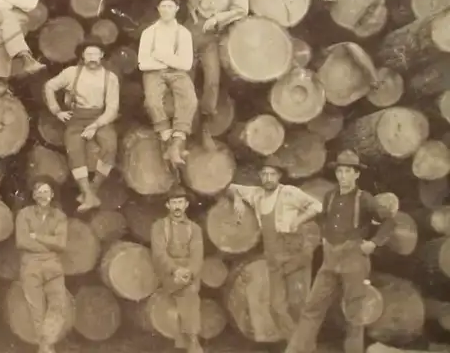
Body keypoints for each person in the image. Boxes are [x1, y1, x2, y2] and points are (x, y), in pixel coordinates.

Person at [283, 150, 396, 353]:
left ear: (356, 174)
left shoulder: (365, 199)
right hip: (330, 259)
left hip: (354, 260)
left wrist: (374, 243)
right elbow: (325, 219)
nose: (343, 176)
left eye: (347, 171)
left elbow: (389, 221)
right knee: (312, 307)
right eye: (340, 171)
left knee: (354, 313)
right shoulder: (330, 196)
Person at [227, 157, 323, 337]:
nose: (268, 178)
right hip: (273, 257)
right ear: (260, 176)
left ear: (279, 176)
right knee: (276, 307)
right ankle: (295, 342)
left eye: (272, 174)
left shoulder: (289, 193)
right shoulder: (256, 194)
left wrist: (298, 220)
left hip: (293, 253)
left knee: (298, 304)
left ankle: (304, 344)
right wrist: (238, 200)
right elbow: (230, 187)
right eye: (264, 174)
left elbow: (317, 206)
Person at [169, 0, 248, 147]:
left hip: (212, 35)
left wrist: (217, 18)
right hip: (191, 31)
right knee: (185, 76)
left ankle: (204, 126)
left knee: (212, 80)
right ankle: (181, 130)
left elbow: (241, 9)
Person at [43, 40, 120, 212]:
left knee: (110, 146)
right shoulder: (72, 73)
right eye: (88, 54)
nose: (92, 58)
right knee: (74, 148)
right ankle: (87, 194)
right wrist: (57, 111)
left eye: (95, 54)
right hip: (77, 118)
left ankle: (92, 190)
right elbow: (49, 86)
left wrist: (95, 126)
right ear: (82, 56)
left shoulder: (110, 78)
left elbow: (112, 109)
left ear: (102, 55)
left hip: (100, 118)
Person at [139, 0, 197, 167]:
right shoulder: (149, 32)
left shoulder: (184, 33)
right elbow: (143, 63)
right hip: (153, 72)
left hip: (177, 72)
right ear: (157, 9)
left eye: (170, 6)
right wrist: (171, 59)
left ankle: (177, 141)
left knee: (190, 99)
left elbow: (186, 64)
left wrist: (161, 56)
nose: (166, 10)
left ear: (177, 9)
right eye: (163, 6)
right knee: (152, 101)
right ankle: (168, 139)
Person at [16, 177, 69, 353]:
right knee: (37, 310)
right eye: (39, 192)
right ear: (34, 195)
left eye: (46, 191)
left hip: (53, 267)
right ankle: (47, 348)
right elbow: (22, 241)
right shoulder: (24, 215)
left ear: (52, 195)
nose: (42, 195)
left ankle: (45, 345)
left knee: (58, 306)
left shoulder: (60, 217)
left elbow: (61, 243)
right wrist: (49, 243)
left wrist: (37, 236)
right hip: (31, 266)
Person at [150, 185, 204, 353]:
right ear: (168, 206)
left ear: (186, 205)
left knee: (189, 289)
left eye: (180, 202)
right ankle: (192, 340)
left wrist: (189, 272)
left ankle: (183, 342)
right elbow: (159, 254)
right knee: (188, 292)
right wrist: (175, 270)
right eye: (174, 203)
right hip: (167, 272)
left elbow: (197, 256)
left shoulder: (194, 229)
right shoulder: (159, 227)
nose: (177, 206)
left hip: (188, 273)